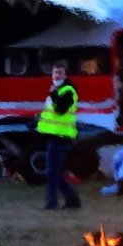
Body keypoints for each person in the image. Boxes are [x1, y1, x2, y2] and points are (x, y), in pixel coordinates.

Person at [37, 65, 81, 210]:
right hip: (54, 136)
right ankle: (72, 200)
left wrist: (53, 94)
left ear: (65, 75)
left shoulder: (68, 91)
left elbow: (61, 110)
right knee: (55, 172)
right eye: (55, 72)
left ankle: (52, 203)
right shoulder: (57, 90)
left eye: (60, 73)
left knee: (52, 172)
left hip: (61, 138)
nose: (57, 76)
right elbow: (51, 113)